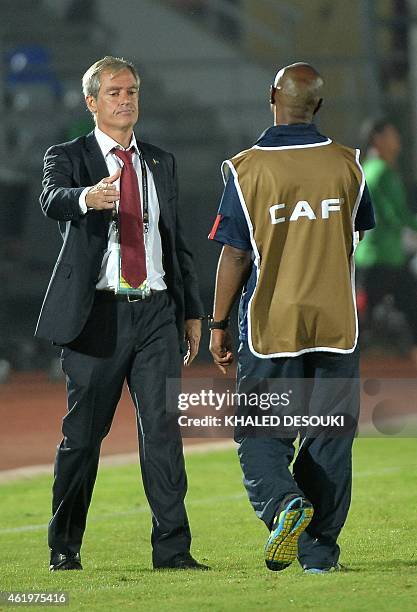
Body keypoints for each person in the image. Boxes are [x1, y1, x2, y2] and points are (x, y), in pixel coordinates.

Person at [36, 56, 208, 572]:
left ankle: (173, 551)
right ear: (92, 102)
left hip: (156, 312)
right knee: (83, 438)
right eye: (113, 92)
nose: (125, 100)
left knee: (162, 431)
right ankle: (64, 547)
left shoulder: (159, 160)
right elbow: (51, 199)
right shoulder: (68, 156)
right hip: (97, 316)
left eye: (131, 91)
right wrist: (87, 197)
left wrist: (191, 311)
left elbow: (175, 242)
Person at [208, 63, 375, 574]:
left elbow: (235, 256)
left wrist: (217, 324)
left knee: (261, 435)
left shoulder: (246, 169)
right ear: (318, 106)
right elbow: (356, 239)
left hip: (271, 326)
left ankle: (285, 505)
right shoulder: (349, 165)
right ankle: (319, 553)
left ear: (272, 96)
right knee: (328, 438)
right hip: (335, 325)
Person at [355, 118, 417, 360]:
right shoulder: (380, 172)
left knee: (400, 301)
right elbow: (395, 214)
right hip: (380, 255)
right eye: (392, 135)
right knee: (367, 312)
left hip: (380, 254)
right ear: (377, 140)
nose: (397, 139)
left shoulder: (373, 169)